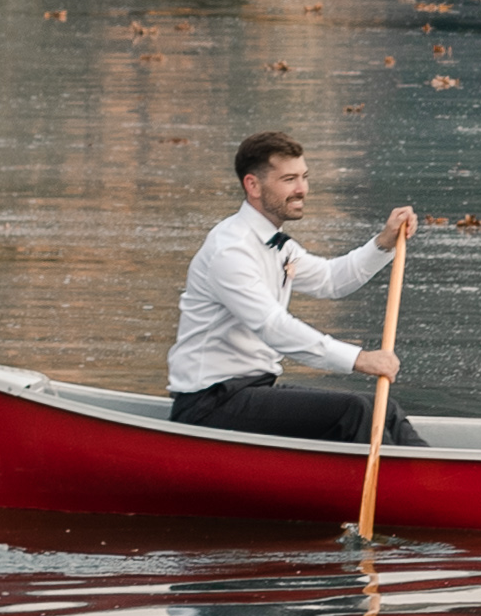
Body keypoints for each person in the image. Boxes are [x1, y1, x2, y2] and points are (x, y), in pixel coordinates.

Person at [167, 130, 422, 443]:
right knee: (354, 412)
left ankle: (437, 485)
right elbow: (273, 327)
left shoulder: (278, 244)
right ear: (253, 185)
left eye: (304, 176)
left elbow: (332, 280)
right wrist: (358, 359)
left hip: (254, 389)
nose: (302, 189)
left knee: (385, 409)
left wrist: (384, 242)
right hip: (209, 403)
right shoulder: (230, 249)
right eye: (289, 179)